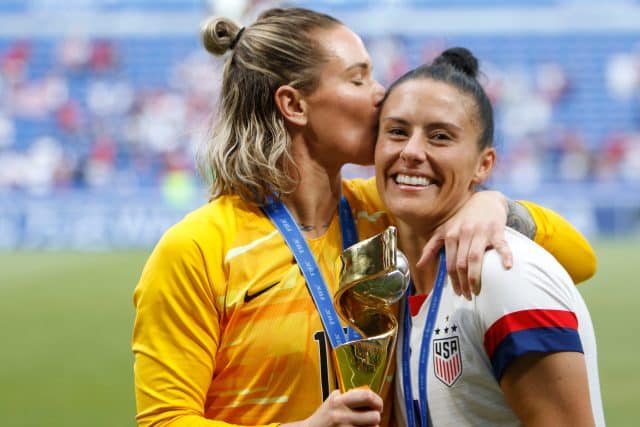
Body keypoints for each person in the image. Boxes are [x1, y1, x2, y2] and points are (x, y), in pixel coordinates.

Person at [132, 8, 597, 427]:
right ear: (294, 105)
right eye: (359, 79)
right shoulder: (197, 249)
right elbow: (163, 421)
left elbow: (578, 262)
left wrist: (493, 206)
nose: (381, 96)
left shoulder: (386, 211)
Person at [373, 47, 604, 426]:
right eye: (397, 132)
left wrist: (502, 206)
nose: (412, 151)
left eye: (440, 137)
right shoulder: (397, 284)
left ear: (484, 164)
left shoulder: (501, 274)